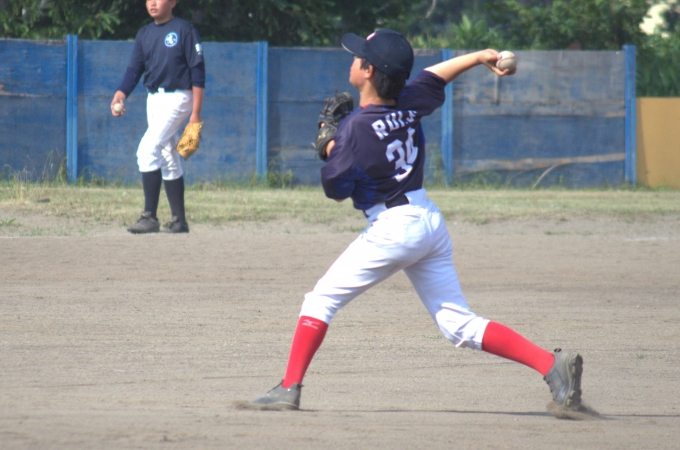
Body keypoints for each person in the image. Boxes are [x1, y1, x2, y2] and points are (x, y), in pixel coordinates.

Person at [250, 29, 584, 414]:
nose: (352, 59)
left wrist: (330, 146)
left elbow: (336, 189)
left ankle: (289, 387)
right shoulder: (408, 101)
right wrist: (478, 57)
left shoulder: (355, 128)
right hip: (427, 221)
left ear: (368, 71)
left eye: (358, 56)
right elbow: (434, 76)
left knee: (320, 300)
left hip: (394, 229)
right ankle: (551, 365)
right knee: (458, 325)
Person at [111, 0, 204, 234]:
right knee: (167, 154)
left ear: (173, 2)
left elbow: (197, 71)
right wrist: (121, 93)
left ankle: (149, 216)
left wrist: (195, 113)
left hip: (179, 97)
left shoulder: (184, 30)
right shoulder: (144, 34)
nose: (152, 2)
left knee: (146, 150)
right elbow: (134, 70)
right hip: (153, 98)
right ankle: (179, 221)